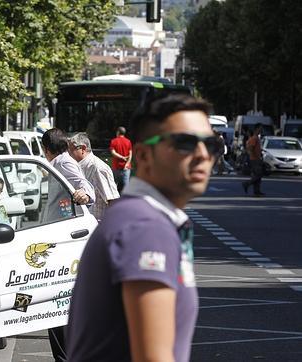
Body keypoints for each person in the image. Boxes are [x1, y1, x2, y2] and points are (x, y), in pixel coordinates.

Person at [66, 94, 223, 362]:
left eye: (211, 144)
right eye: (185, 143)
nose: (202, 154)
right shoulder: (145, 227)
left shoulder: (138, 217)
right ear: (142, 154)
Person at [41, 128, 95, 362]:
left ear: (46, 150)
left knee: (58, 306)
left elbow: (86, 187)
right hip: (57, 237)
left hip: (62, 240)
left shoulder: (63, 162)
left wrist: (84, 194)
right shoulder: (61, 161)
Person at [68, 132, 120, 221]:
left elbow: (113, 200)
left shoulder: (98, 168)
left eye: (71, 150)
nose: (68, 153)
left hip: (98, 226)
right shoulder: (77, 166)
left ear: (83, 149)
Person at [242, 124, 265, 196]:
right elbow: (251, 148)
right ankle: (246, 183)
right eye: (260, 128)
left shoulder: (256, 138)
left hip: (256, 158)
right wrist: (255, 156)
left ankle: (256, 191)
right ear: (257, 129)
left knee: (257, 175)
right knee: (258, 174)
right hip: (255, 159)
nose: (261, 130)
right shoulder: (254, 138)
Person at [110, 126, 133, 193]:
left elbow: (113, 153)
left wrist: (122, 157)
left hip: (116, 167)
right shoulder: (128, 141)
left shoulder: (113, 141)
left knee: (113, 188)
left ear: (118, 132)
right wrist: (127, 163)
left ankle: (115, 202)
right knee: (125, 189)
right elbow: (130, 154)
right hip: (126, 168)